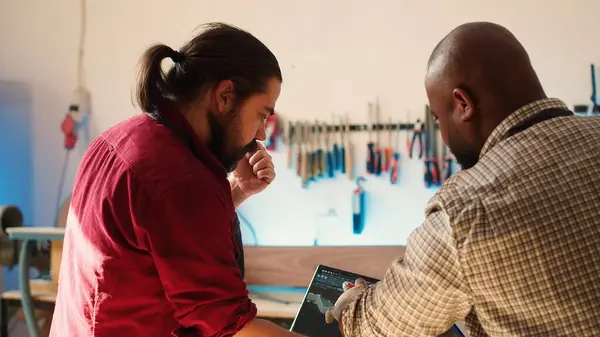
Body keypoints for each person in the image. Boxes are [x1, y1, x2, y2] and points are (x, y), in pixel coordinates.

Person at [325, 21, 600, 337]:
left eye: (438, 118)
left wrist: (352, 304)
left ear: (464, 104)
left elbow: (374, 329)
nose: (441, 133)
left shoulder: (466, 210)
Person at [50, 23, 303, 337]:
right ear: (225, 96)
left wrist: (236, 190)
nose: (262, 134)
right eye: (263, 115)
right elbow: (232, 329)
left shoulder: (119, 138)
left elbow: (159, 234)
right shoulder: (180, 179)